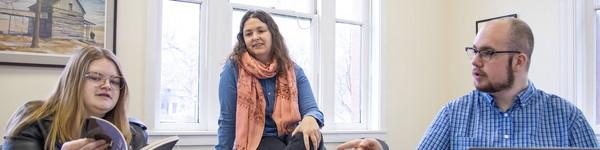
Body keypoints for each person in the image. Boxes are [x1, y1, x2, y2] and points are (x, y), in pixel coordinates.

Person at [417, 18, 598, 149]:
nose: (475, 61)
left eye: (487, 52)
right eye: (474, 51)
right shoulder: (453, 114)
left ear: (519, 61)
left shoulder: (567, 118)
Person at [217, 9, 325, 150]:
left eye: (261, 31)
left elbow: (312, 109)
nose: (255, 37)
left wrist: (311, 118)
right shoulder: (232, 70)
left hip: (291, 136)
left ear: (272, 34)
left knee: (310, 137)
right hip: (259, 139)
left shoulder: (293, 70)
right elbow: (227, 122)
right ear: (243, 40)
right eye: (248, 34)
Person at [2, 46, 148, 150]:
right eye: (96, 78)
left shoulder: (134, 133)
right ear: (73, 81)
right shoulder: (34, 120)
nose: (107, 86)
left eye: (115, 81)